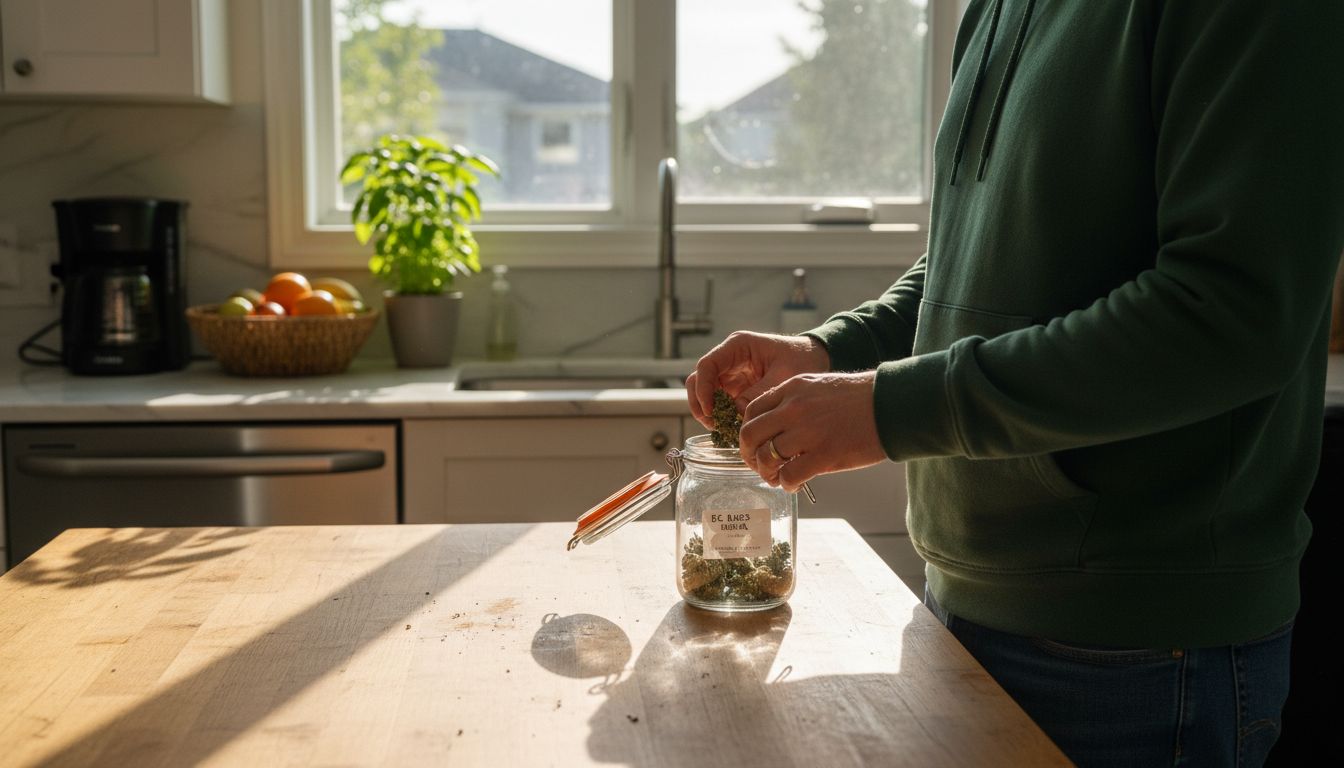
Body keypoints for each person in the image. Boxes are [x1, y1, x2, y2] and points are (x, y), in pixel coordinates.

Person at [686, 1, 1344, 765]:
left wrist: (891, 409)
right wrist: (832, 349)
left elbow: (1228, 316)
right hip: (964, 599)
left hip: (1139, 650)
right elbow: (973, 261)